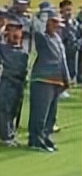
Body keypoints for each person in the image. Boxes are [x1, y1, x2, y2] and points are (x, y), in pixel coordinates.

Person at [27, 11, 70, 152]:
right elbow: (37, 27)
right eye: (54, 22)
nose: (57, 26)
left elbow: (62, 60)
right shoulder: (42, 37)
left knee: (51, 114)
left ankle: (45, 137)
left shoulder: (57, 38)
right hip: (42, 79)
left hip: (57, 80)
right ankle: (35, 140)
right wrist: (44, 16)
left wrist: (66, 79)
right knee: (40, 113)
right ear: (48, 22)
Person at [0, 16, 28, 146]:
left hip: (19, 82)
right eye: (12, 31)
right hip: (7, 81)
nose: (16, 34)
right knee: (5, 109)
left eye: (18, 31)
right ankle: (5, 137)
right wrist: (1, 32)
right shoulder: (2, 47)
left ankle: (11, 134)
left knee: (14, 109)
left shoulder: (23, 51)